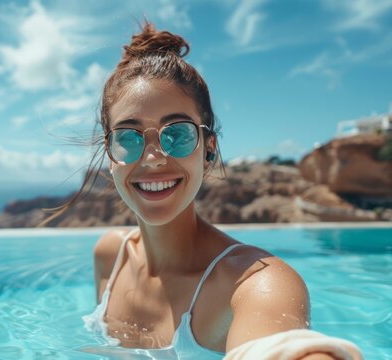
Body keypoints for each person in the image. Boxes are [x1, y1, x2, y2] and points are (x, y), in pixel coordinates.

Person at [48, 22, 357, 360]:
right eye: (128, 137)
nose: (152, 159)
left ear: (208, 150)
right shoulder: (109, 255)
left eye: (177, 134)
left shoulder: (255, 284)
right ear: (111, 155)